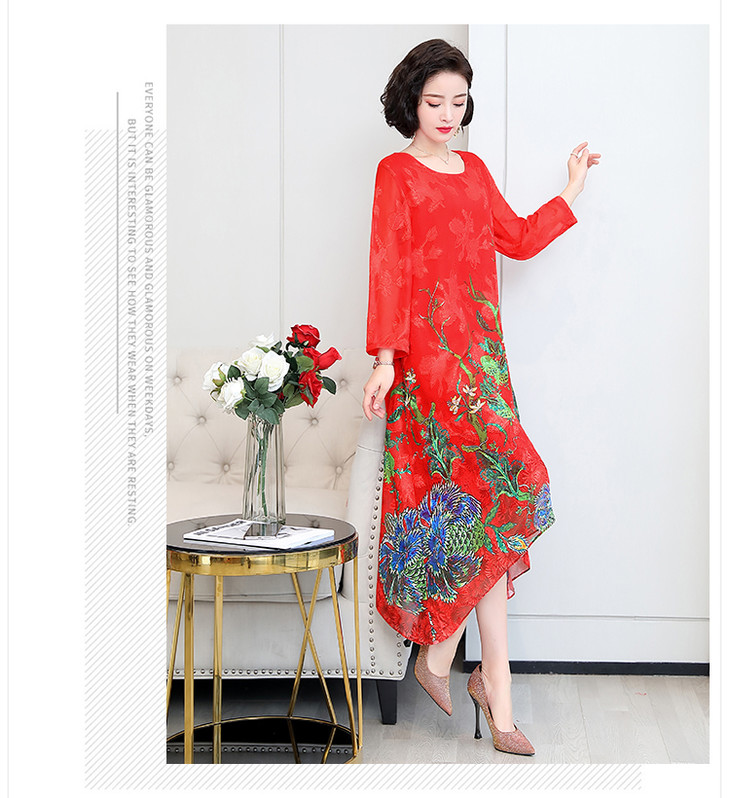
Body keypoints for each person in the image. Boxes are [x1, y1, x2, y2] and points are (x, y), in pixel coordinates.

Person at [362, 39, 600, 756]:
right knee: (487, 507)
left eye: (458, 103)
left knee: (495, 505)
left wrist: (570, 190)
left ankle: (465, 669)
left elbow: (517, 238)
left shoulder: (473, 172)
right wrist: (384, 361)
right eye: (434, 101)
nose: (447, 114)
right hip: (427, 375)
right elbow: (387, 266)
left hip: (484, 369)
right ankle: (490, 687)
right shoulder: (396, 173)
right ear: (411, 102)